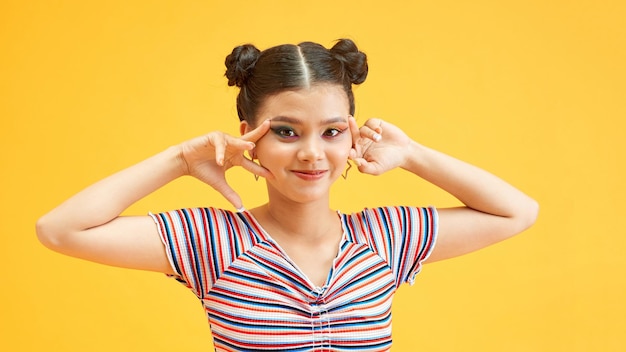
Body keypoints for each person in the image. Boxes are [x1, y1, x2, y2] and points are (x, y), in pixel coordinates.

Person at [36, 39, 539, 351]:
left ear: (352, 135)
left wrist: (411, 155)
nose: (312, 155)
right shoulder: (213, 241)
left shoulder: (388, 238)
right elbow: (59, 229)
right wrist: (182, 160)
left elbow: (518, 212)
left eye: (331, 132)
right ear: (246, 135)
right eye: (287, 132)